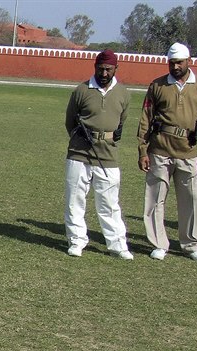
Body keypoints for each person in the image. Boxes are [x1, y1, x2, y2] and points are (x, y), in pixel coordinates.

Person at [137, 42, 197, 262]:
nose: (175, 66)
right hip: (160, 149)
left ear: (189, 61)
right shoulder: (157, 86)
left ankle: (191, 244)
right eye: (172, 63)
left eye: (179, 62)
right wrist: (143, 150)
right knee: (155, 199)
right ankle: (159, 243)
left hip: (188, 152)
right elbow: (145, 119)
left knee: (190, 200)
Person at [64, 49, 133, 260]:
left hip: (108, 154)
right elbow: (70, 121)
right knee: (75, 199)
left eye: (108, 69)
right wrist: (80, 138)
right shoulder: (81, 90)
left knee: (109, 202)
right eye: (101, 69)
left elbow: (121, 122)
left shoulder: (123, 93)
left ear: (115, 69)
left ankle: (117, 244)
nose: (104, 74)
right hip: (79, 152)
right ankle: (76, 240)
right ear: (95, 67)